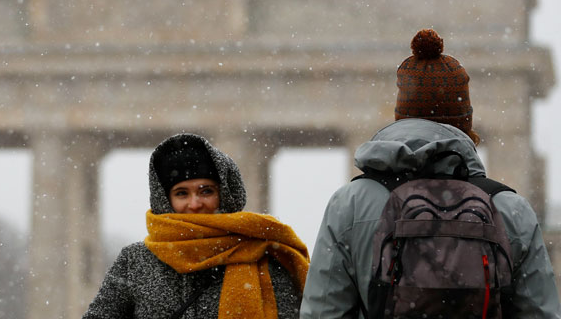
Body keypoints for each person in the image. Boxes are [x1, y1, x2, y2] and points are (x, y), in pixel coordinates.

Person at [300, 28, 561, 318]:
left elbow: (323, 313)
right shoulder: (510, 209)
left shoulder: (350, 205)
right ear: (465, 124)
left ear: (400, 116)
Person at [83, 132, 310, 318]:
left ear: (224, 196)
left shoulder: (267, 257)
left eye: (206, 191)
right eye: (182, 193)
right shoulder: (135, 262)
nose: (195, 203)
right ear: (166, 200)